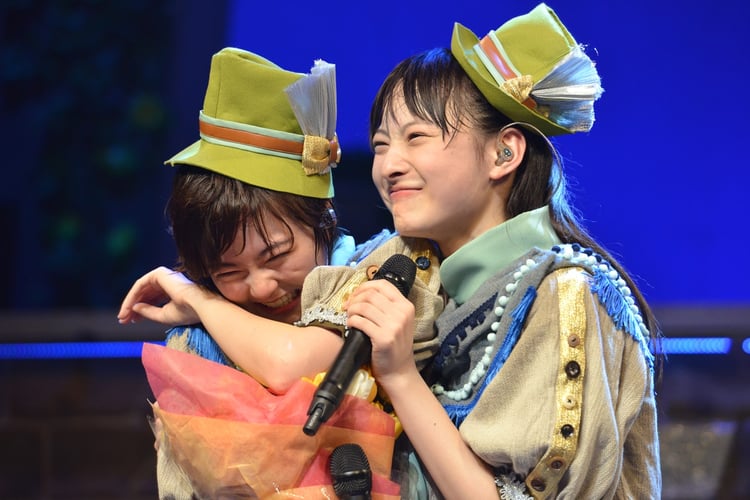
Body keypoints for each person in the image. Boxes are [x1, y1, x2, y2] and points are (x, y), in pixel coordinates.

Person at [344, 3, 662, 498]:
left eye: (416, 137)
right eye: (381, 145)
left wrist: (401, 376)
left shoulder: (564, 294)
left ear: (503, 152)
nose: (389, 166)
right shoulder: (413, 275)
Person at [117, 47, 442, 498]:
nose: (261, 286)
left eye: (276, 255)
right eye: (227, 271)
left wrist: (197, 298)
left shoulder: (390, 268)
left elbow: (292, 363)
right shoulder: (197, 344)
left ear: (322, 217)